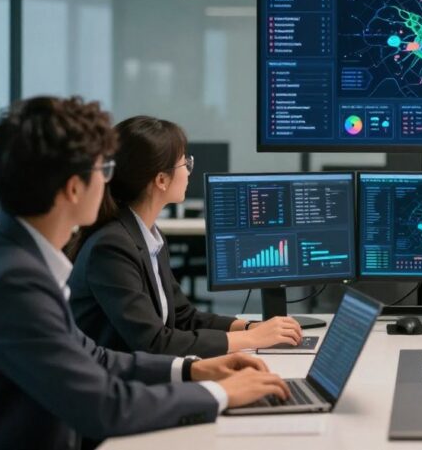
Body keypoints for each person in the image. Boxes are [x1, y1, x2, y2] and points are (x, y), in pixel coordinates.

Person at [0, 97, 291, 449]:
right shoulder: (13, 283)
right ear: (74, 188)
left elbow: (93, 357)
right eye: (102, 170)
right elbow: (104, 407)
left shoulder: (2, 255)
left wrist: (192, 370)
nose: (109, 181)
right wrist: (218, 393)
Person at [68, 116, 302, 357]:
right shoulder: (112, 246)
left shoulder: (148, 236)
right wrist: (251, 338)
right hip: (117, 385)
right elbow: (155, 343)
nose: (189, 171)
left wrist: (252, 327)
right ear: (161, 179)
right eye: (185, 163)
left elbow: (183, 317)